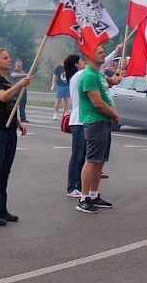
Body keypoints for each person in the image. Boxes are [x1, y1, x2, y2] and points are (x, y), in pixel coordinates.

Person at [0, 47, 31, 226]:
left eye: (9, 57)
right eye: (5, 58)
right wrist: (20, 84)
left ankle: (1, 209)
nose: (9, 60)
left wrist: (18, 122)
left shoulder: (6, 80)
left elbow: (11, 105)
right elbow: (2, 98)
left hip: (9, 130)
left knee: (4, 172)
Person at [76, 45, 120, 214]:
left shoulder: (98, 74)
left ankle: (94, 195)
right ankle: (83, 198)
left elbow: (107, 93)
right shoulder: (88, 76)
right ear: (89, 55)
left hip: (103, 121)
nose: (103, 54)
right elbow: (97, 102)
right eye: (100, 52)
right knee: (92, 160)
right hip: (94, 121)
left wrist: (116, 77)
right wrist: (115, 114)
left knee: (99, 161)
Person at [64, 54, 86, 198]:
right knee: (77, 156)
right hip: (78, 120)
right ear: (76, 65)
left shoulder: (80, 75)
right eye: (81, 61)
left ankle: (80, 184)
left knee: (83, 156)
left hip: (83, 120)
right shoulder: (79, 75)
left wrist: (115, 52)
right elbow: (97, 66)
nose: (84, 62)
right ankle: (72, 186)